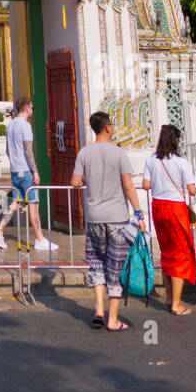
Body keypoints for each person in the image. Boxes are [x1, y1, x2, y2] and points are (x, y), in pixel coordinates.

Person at [71, 111, 146, 332]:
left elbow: (75, 182)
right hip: (117, 218)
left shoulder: (84, 153)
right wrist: (139, 213)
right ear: (107, 128)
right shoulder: (118, 153)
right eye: (112, 125)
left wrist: (91, 178)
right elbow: (129, 186)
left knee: (96, 262)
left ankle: (99, 310)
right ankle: (113, 319)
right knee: (115, 265)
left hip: (94, 217)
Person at [142, 124, 196, 316]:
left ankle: (168, 297)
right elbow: (191, 190)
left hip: (158, 207)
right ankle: (176, 303)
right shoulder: (181, 162)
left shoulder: (151, 159)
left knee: (166, 251)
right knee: (180, 253)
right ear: (175, 140)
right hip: (175, 208)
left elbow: (146, 185)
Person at [0, 97, 54, 254]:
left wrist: (14, 161)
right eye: (32, 108)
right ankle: (40, 239)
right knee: (34, 204)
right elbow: (28, 150)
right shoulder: (25, 126)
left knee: (16, 203)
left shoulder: (10, 126)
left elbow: (7, 150)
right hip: (25, 170)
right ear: (27, 109)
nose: (32, 111)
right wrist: (35, 170)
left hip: (14, 169)